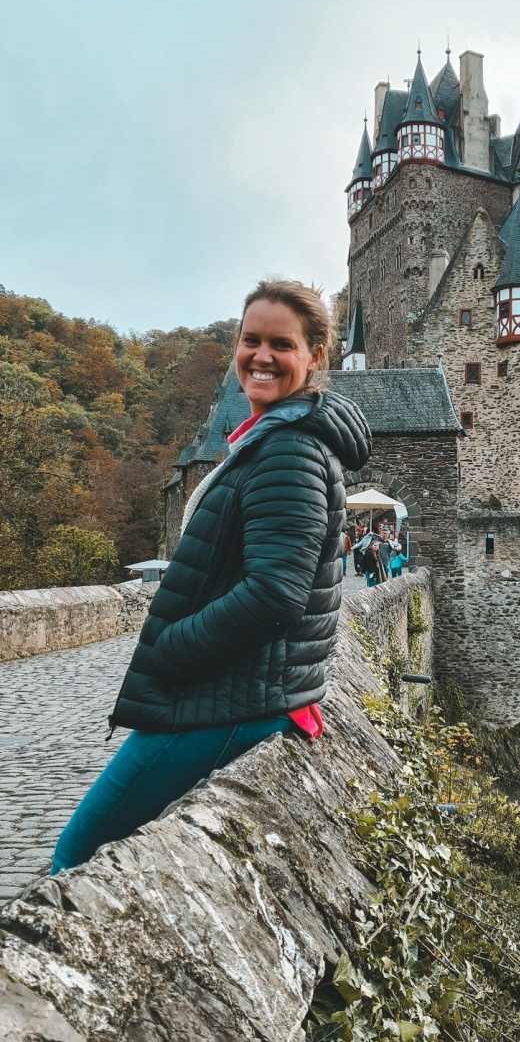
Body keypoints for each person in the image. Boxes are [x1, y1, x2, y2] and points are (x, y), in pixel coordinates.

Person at [50, 279, 371, 874]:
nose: (262, 356)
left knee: (78, 852)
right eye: (251, 340)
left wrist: (170, 652)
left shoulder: (289, 452)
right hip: (245, 694)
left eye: (282, 343)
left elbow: (275, 593)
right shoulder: (275, 439)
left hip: (234, 701)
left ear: (314, 356)